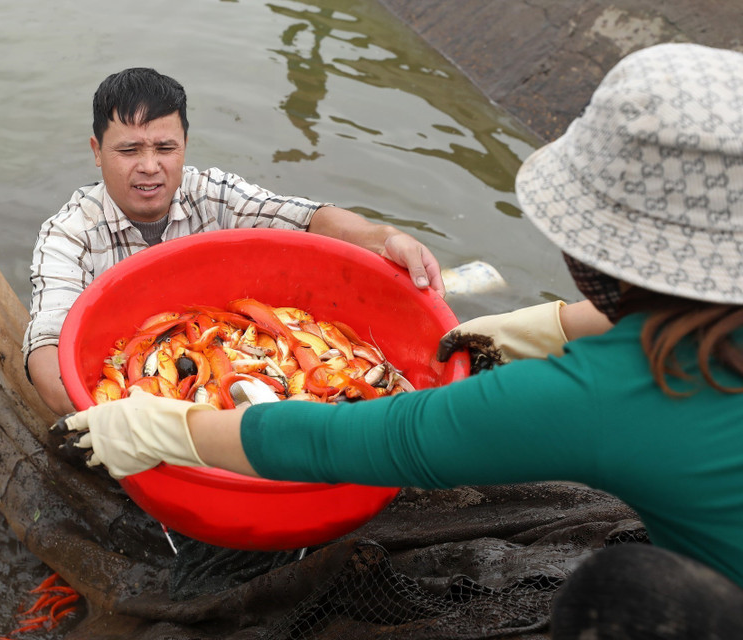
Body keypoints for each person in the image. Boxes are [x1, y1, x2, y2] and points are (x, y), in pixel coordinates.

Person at [55, 43, 743, 637]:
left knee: (623, 592)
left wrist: (170, 428)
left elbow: (368, 438)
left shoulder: (598, 393)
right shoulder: (692, 332)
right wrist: (549, 325)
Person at [24, 67, 445, 416]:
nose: (149, 167)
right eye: (129, 150)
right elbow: (47, 353)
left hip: (244, 358)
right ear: (97, 151)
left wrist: (383, 236)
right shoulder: (68, 234)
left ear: (185, 145)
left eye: (165, 147)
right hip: (137, 406)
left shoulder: (212, 194)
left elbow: (307, 218)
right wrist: (139, 428)